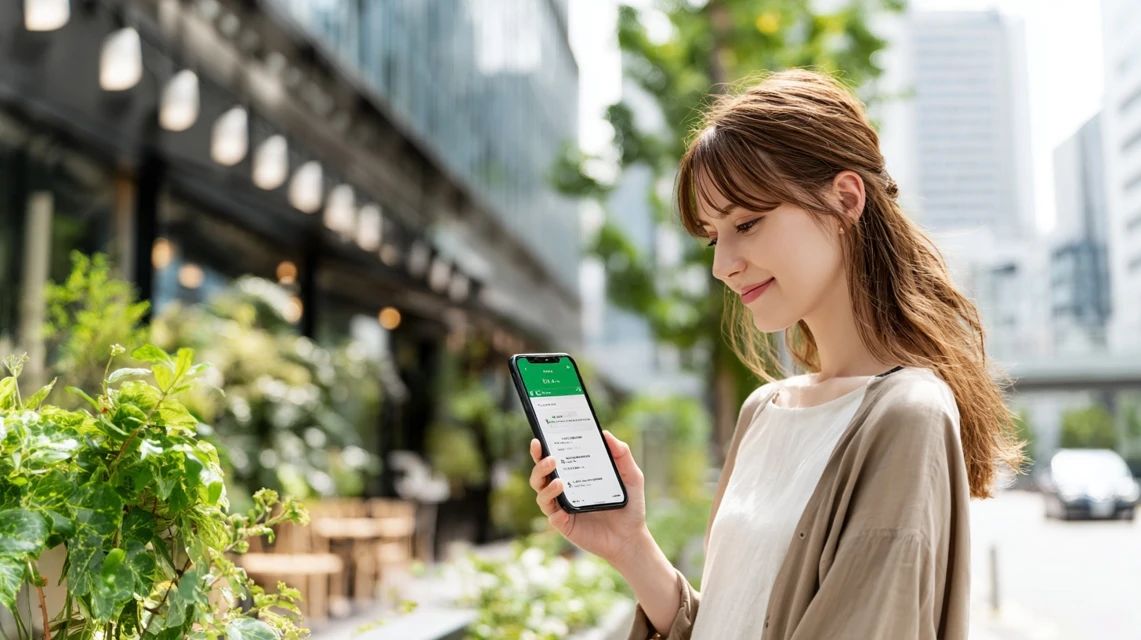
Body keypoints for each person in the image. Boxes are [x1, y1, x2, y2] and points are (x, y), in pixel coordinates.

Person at [527, 69, 1024, 640]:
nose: (723, 264)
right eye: (715, 236)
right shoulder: (765, 411)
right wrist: (631, 546)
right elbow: (726, 623)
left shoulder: (905, 415)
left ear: (844, 199)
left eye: (748, 223)